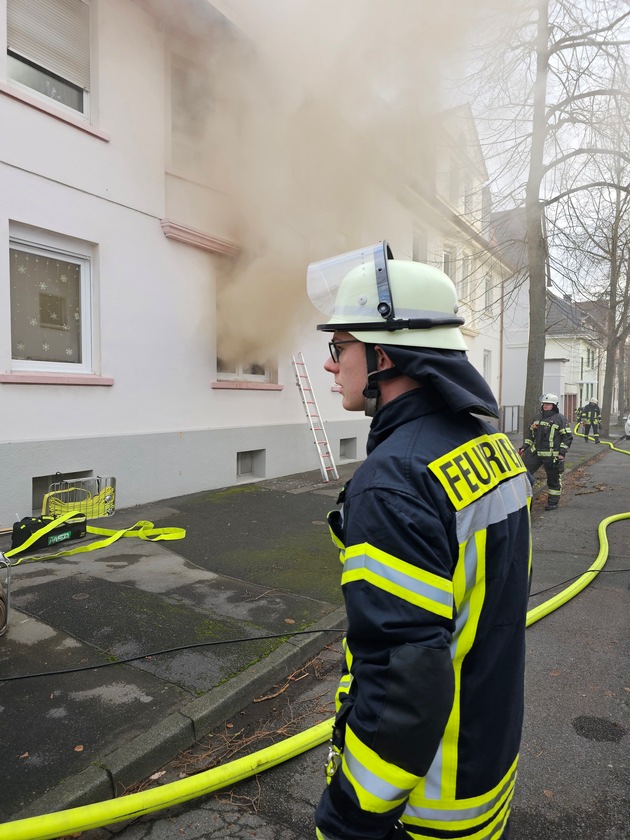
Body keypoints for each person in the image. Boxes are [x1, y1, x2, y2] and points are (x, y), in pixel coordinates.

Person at [307, 242, 532, 840]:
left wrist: (351, 816)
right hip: (488, 762)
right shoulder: (490, 444)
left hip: (427, 801)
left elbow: (404, 674)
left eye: (340, 347)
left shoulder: (395, 479)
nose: (331, 365)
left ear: (382, 356)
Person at [520, 394, 573, 511]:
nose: (545, 406)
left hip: (552, 455)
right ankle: (523, 501)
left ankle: (553, 502)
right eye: (544, 404)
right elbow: (530, 434)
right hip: (536, 453)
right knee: (523, 474)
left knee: (553, 479)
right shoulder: (537, 417)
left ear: (554, 405)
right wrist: (525, 446)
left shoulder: (560, 419)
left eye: (548, 404)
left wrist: (562, 453)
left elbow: (567, 437)